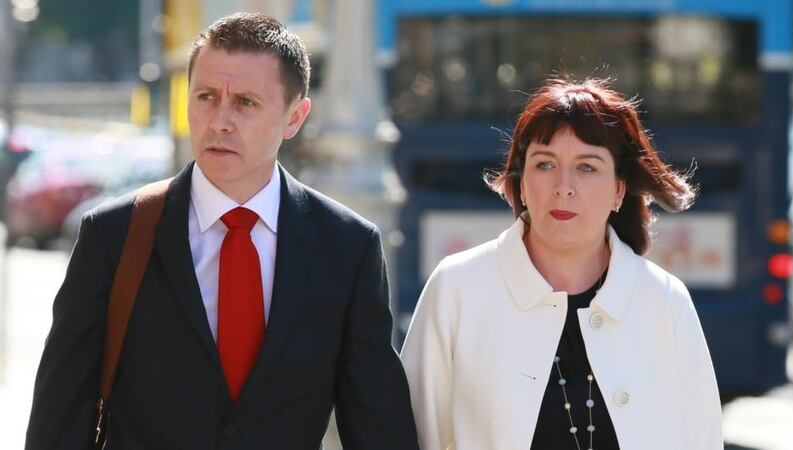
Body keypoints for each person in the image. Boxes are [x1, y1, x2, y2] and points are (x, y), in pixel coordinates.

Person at [26, 12, 419, 450]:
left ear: (295, 117)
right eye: (207, 97)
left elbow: (377, 424)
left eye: (246, 102)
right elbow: (59, 418)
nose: (219, 121)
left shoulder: (347, 246)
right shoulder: (113, 236)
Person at [400, 77, 723, 449]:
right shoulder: (457, 288)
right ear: (522, 184)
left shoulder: (664, 300)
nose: (564, 186)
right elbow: (407, 436)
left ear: (618, 190)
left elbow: (702, 440)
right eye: (544, 164)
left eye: (587, 167)